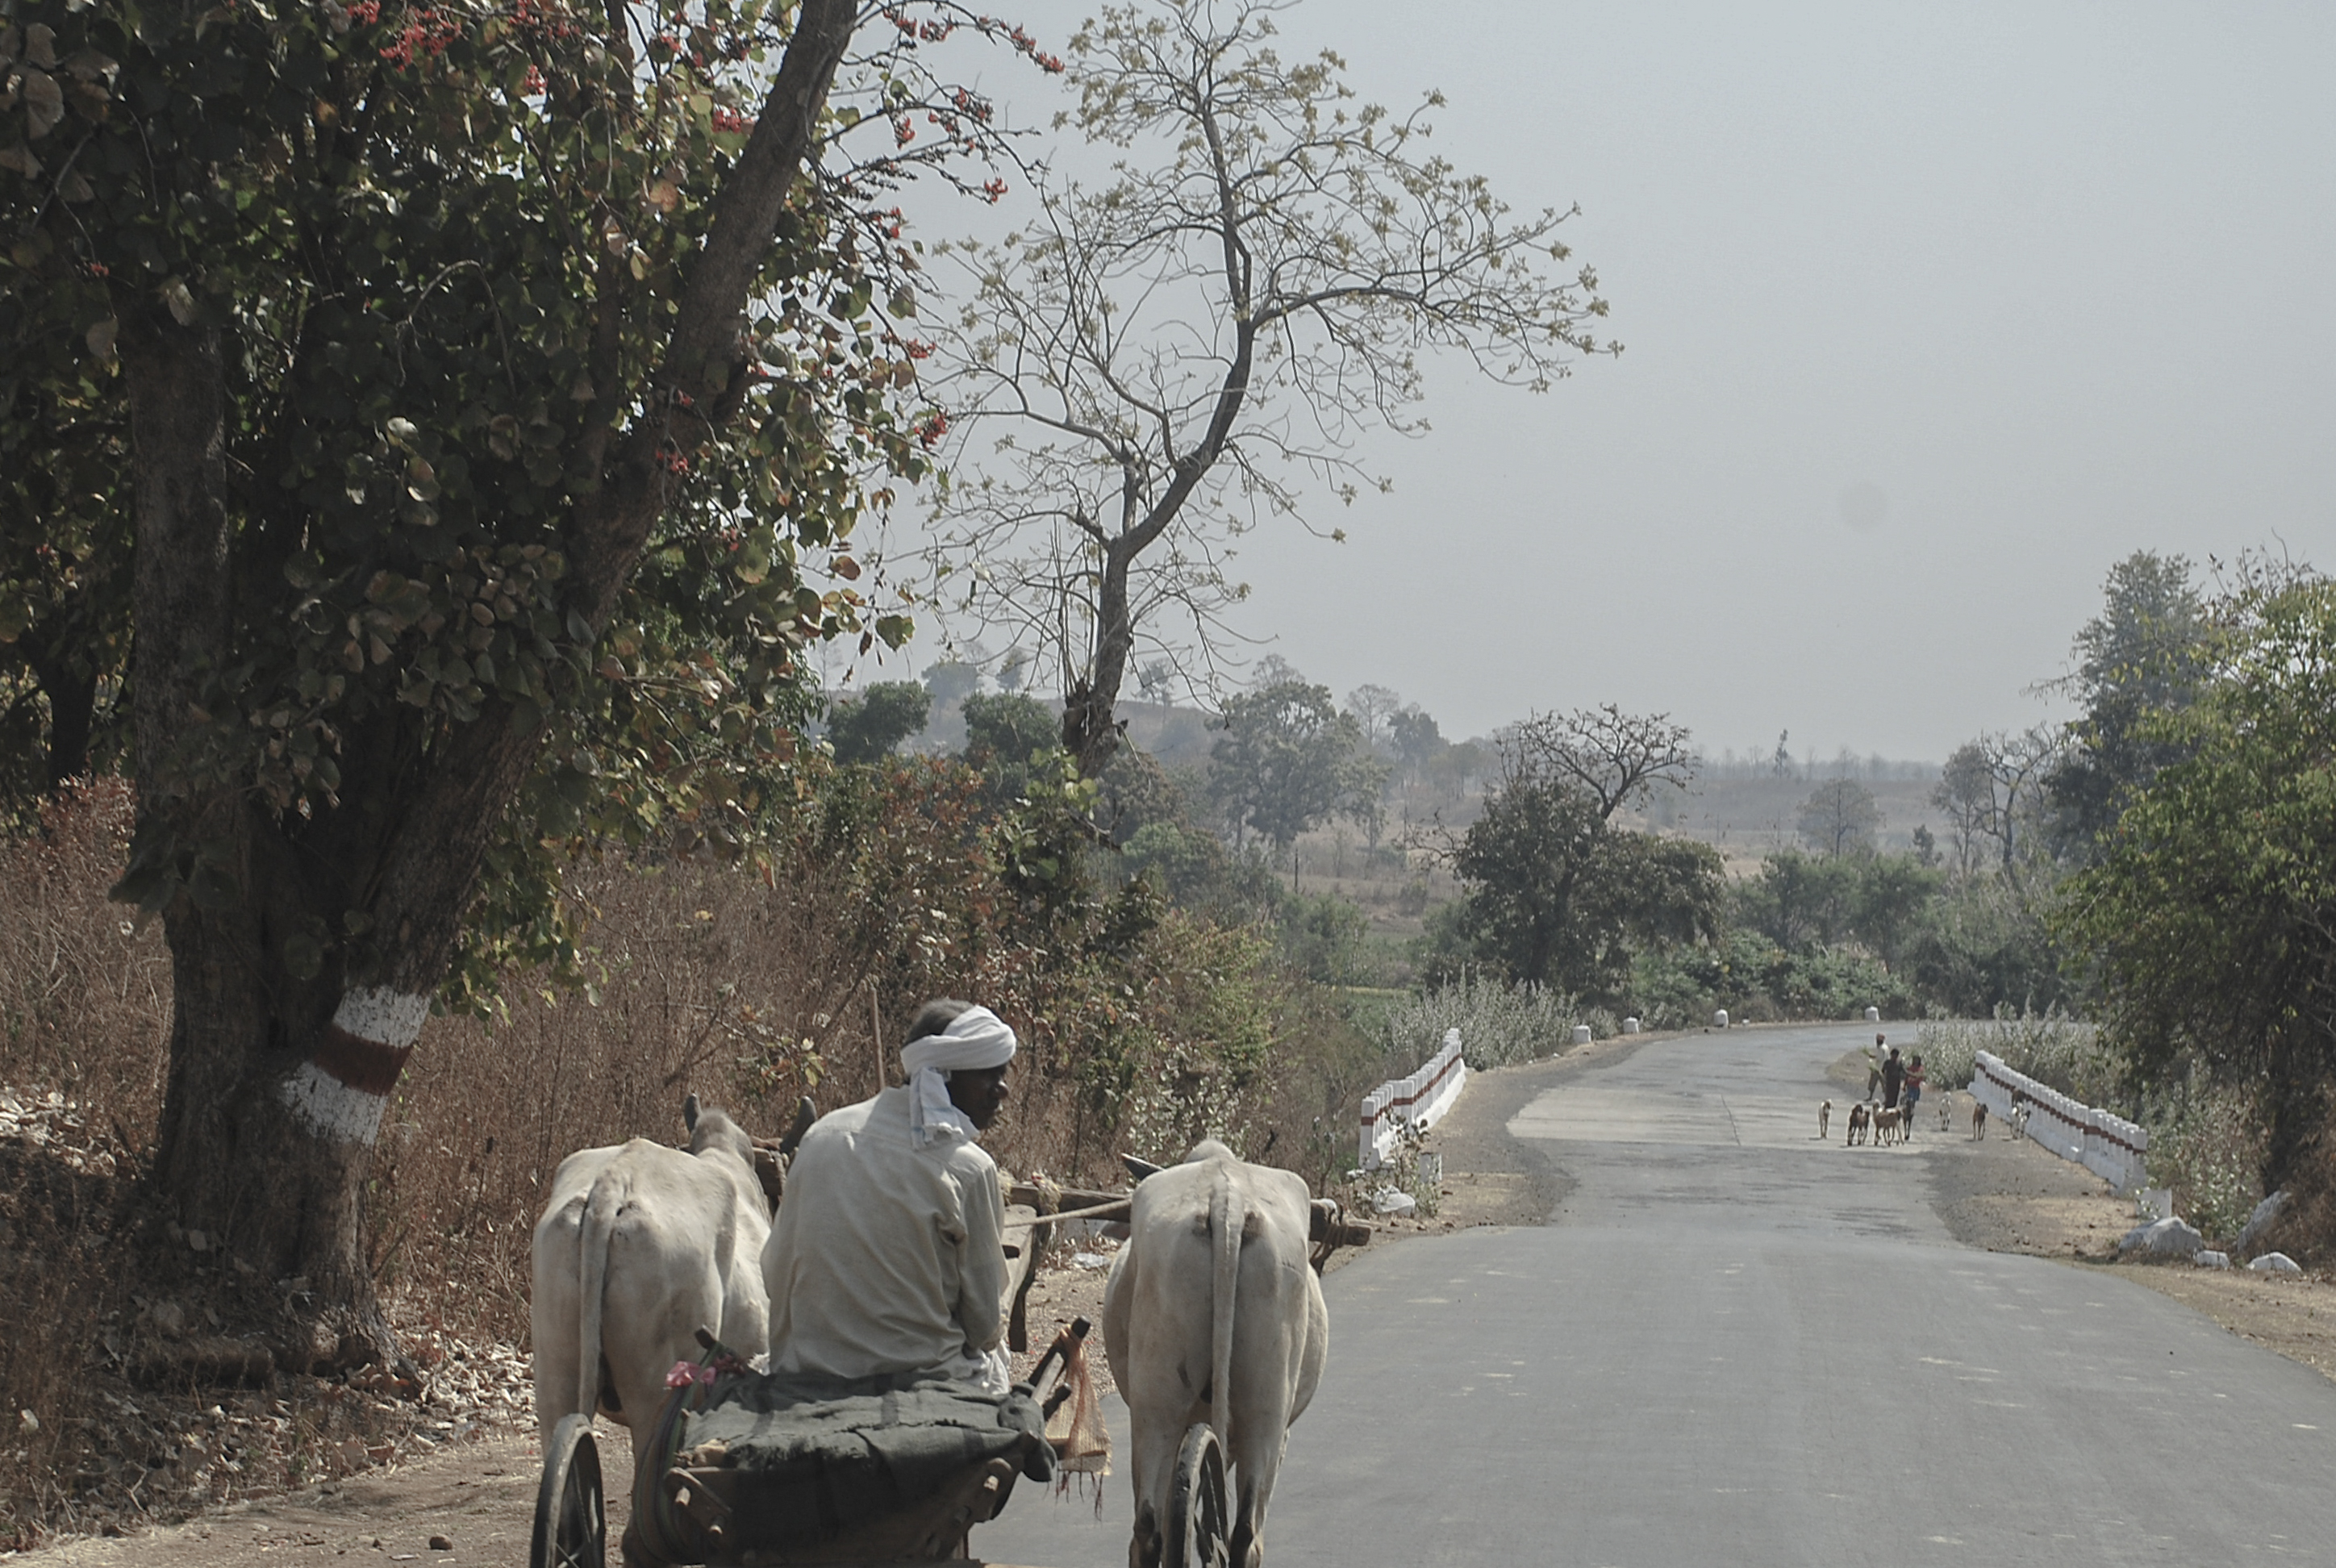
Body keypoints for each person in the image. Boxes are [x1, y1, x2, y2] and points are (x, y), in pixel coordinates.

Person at [762, 999, 1016, 1394]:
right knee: (998, 1363)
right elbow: (984, 1328)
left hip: (805, 1373)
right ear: (943, 1075)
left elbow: (773, 1273)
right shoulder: (970, 1168)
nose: (1003, 1090)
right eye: (989, 1074)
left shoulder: (821, 1135)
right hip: (929, 1383)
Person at [1900, 1053, 1926, 1137]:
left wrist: (1915, 1076)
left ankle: (1911, 1110)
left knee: (1913, 1101)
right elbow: (1906, 1077)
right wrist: (1904, 1085)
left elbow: (1921, 1077)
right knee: (1909, 1100)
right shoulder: (1910, 1068)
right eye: (1914, 1060)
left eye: (1917, 1060)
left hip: (1916, 1087)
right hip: (1910, 1087)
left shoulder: (1920, 1069)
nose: (1915, 1061)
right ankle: (1908, 1110)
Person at [1879, 1045, 1904, 1110]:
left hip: (1896, 1083)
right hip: (1889, 1082)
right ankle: (1887, 1109)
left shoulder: (1899, 1063)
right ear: (1891, 1055)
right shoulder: (1887, 1063)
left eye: (1896, 1056)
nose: (1894, 1057)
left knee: (1895, 1097)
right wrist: (1884, 1079)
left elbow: (1903, 1072)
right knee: (1889, 1097)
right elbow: (1882, 1071)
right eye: (1893, 1055)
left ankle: (1892, 1109)